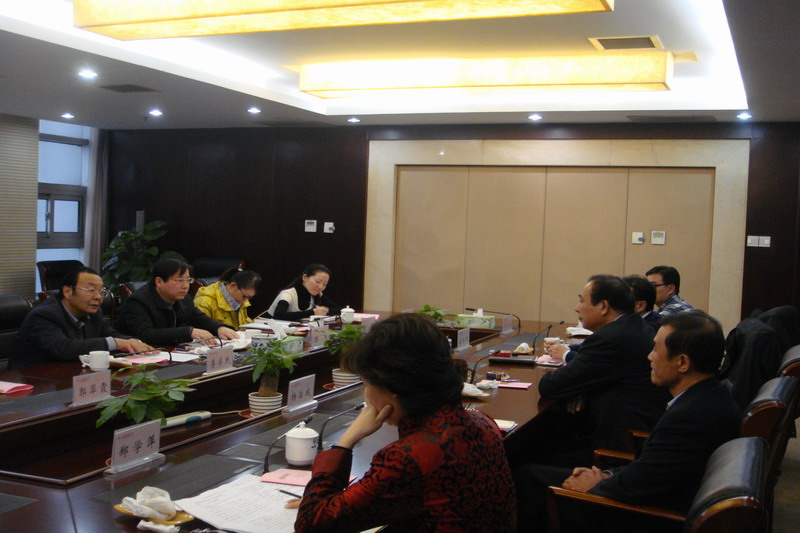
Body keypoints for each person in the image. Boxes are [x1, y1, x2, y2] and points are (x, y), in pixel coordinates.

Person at [515, 311, 741, 532]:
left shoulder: (690, 418)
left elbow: (641, 485)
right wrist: (607, 475)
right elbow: (652, 470)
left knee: (528, 477)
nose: (649, 357)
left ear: (682, 362)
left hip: (638, 516)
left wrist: (597, 483)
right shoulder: (710, 397)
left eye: (655, 349)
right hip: (641, 493)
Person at [291, 314, 517, 532]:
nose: (366, 394)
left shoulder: (408, 458)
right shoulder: (483, 422)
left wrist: (346, 440)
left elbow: (311, 523)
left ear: (392, 388)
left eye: (366, 384)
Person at [537, 275, 670, 463]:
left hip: (620, 450)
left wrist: (577, 386)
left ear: (604, 306)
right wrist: (581, 386)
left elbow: (549, 386)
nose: (577, 308)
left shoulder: (610, 338)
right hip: (633, 436)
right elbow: (594, 374)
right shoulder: (634, 325)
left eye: (581, 301)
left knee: (529, 462)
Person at [10, 267, 151, 368]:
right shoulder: (43, 315)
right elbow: (64, 348)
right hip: (32, 383)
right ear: (67, 292)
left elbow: (110, 334)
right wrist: (116, 342)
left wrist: (132, 342)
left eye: (101, 291)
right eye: (91, 290)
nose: (98, 297)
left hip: (72, 376)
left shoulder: (94, 313)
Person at [116, 258, 238, 346]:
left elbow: (199, 318)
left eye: (188, 280)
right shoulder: (137, 302)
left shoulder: (184, 298)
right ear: (159, 282)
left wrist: (219, 327)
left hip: (172, 351)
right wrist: (188, 332)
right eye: (179, 281)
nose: (185, 286)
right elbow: (146, 335)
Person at [267, 264, 341, 321]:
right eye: (318, 281)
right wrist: (313, 312)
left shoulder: (317, 294)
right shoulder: (288, 294)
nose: (320, 287)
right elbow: (279, 316)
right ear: (305, 277)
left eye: (324, 284)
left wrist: (324, 311)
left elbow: (337, 309)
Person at [194, 268, 262, 328]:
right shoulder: (204, 302)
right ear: (233, 285)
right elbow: (202, 332)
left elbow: (243, 324)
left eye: (249, 298)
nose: (245, 301)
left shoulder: (238, 300)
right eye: (244, 296)